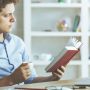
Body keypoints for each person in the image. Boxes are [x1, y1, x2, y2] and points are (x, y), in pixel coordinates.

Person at [0, 0, 65, 87]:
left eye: (12, 13)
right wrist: (11, 79)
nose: (13, 19)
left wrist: (52, 78)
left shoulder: (18, 43)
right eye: (6, 15)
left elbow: (30, 80)